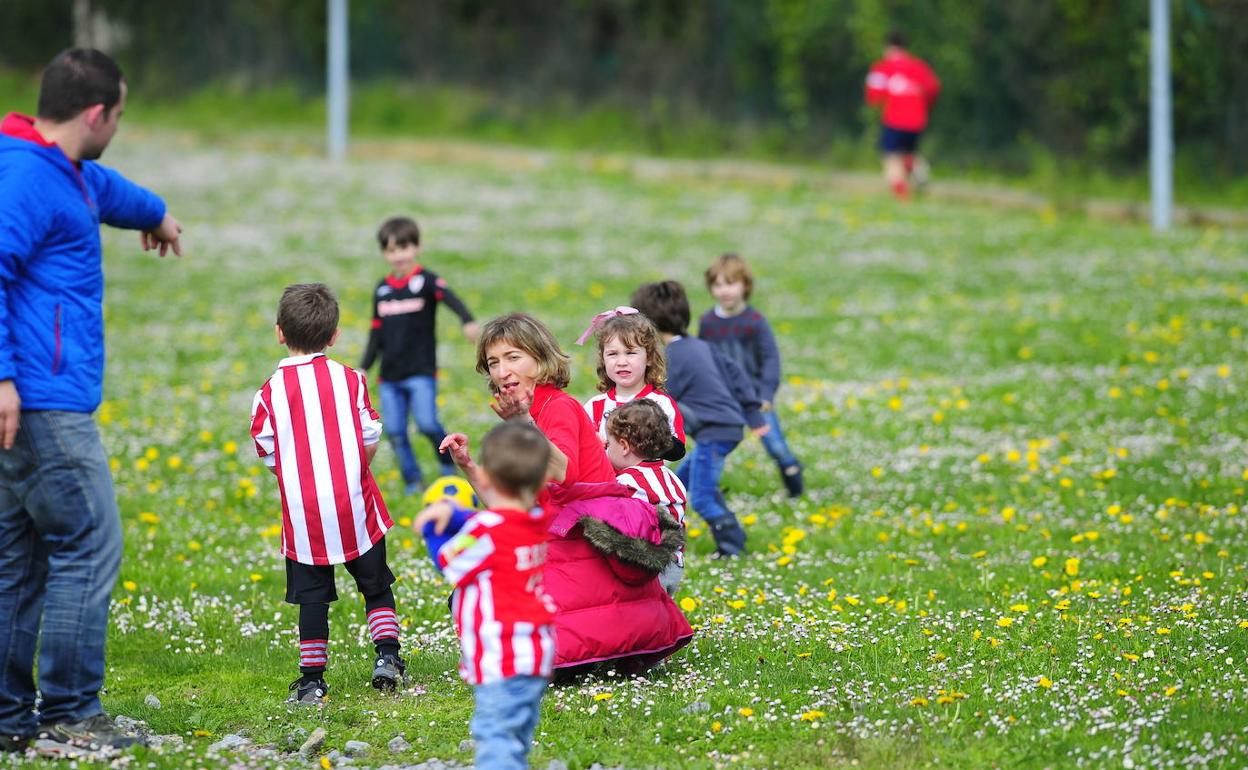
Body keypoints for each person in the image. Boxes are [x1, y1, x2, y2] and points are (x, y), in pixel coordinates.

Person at [0, 48, 183, 755]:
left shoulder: (60, 169)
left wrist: (158, 214)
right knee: (89, 541)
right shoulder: (25, 181)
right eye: (120, 114)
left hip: (35, 399)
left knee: (18, 558)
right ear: (97, 113)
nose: (119, 126)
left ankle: (12, 718)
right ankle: (72, 713)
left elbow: (105, 190)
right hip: (40, 402)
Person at [440, 313, 692, 674]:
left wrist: (523, 423)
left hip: (584, 544)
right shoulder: (525, 414)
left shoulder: (557, 406)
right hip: (558, 541)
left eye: (513, 357)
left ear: (540, 360)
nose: (502, 371)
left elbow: (565, 473)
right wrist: (466, 464)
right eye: (493, 363)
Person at [250, 284, 405, 705]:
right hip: (354, 505)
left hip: (304, 515)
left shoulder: (268, 392)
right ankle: (387, 656)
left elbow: (266, 448)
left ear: (280, 332)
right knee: (375, 585)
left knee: (312, 597)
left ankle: (312, 680)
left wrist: (297, 475)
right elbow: (370, 432)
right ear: (334, 335)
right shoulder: (350, 379)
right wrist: (354, 466)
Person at [415, 421, 557, 770]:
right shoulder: (537, 519)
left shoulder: (486, 531)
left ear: (488, 481)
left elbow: (448, 561)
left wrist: (435, 528)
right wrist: (459, 514)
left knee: (494, 738)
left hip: (501, 658)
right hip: (536, 654)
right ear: (540, 482)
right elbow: (494, 514)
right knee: (516, 736)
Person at [630, 281, 766, 557]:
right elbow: (736, 374)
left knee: (701, 498)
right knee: (684, 481)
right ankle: (727, 537)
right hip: (727, 427)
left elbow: (661, 399)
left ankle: (732, 548)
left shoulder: (671, 357)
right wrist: (751, 412)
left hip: (714, 433)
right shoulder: (699, 345)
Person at [360, 216, 480, 495]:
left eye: (404, 248)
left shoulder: (427, 282)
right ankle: (413, 481)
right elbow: (376, 333)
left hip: (421, 372)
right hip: (389, 376)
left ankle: (445, 461)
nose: (398, 255)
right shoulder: (382, 289)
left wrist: (467, 320)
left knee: (427, 422)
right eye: (391, 250)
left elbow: (452, 299)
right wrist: (364, 367)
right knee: (396, 431)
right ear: (384, 253)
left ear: (417, 248)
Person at [698, 253, 804, 497]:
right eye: (718, 284)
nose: (724, 291)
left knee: (775, 445)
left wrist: (766, 393)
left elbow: (770, 360)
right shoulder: (707, 322)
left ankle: (794, 481)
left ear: (745, 285)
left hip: (756, 400)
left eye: (731, 283)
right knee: (713, 448)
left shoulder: (755, 321)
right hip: (724, 399)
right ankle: (706, 490)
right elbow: (703, 359)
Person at [578, 308, 686, 461]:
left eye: (630, 353)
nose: (622, 362)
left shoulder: (660, 403)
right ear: (603, 360)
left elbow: (678, 451)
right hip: (604, 482)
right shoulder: (594, 406)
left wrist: (647, 439)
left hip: (644, 481)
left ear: (649, 358)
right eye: (613, 354)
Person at [604, 400, 688, 595]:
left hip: (648, 566)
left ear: (624, 446)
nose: (606, 449)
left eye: (609, 444)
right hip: (675, 564)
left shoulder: (626, 483)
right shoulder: (672, 478)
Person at [864, 29, 941, 200]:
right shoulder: (919, 66)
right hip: (917, 121)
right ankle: (920, 173)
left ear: (888, 47)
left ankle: (902, 196)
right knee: (908, 154)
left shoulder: (882, 68)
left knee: (891, 157)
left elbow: (873, 96)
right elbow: (934, 88)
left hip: (894, 120)